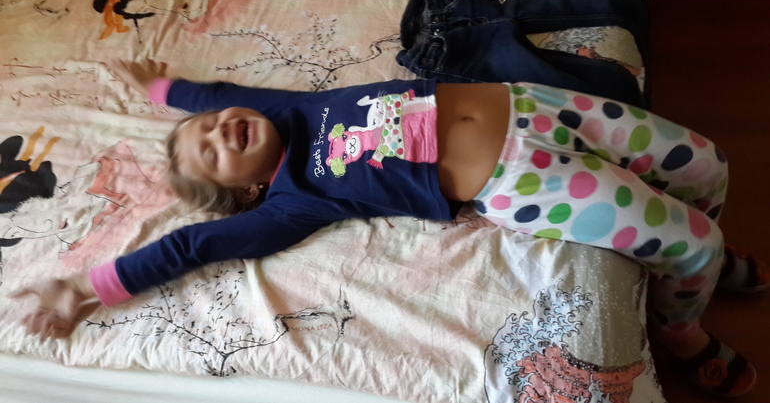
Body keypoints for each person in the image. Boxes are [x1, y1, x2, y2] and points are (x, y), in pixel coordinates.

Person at [12, 59, 766, 398]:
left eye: (211, 124)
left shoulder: (290, 111)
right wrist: (89, 286)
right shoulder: (295, 200)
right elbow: (189, 246)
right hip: (520, 178)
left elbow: (218, 94)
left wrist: (160, 87)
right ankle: (682, 324)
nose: (218, 129)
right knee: (693, 240)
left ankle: (694, 274)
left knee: (709, 166)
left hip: (534, 104)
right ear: (242, 191)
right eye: (210, 151)